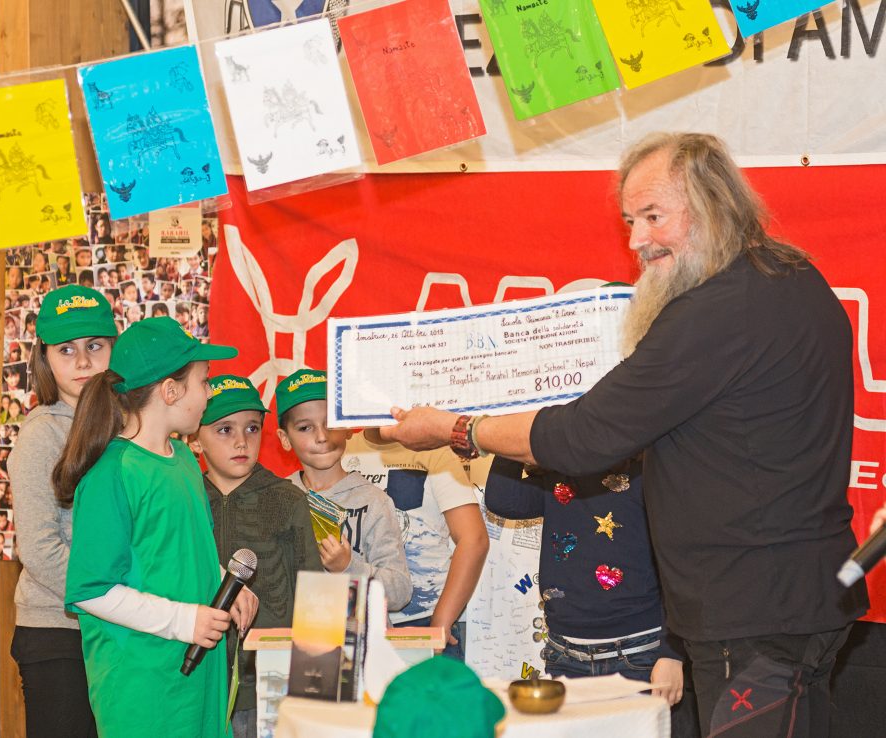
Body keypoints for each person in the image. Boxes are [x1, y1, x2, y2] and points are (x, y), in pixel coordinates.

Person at [382, 132, 868, 737]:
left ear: (712, 205)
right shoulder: (792, 277)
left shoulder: (714, 312)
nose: (637, 240)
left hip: (754, 612)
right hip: (806, 595)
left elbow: (582, 438)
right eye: (630, 221)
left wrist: (457, 428)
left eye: (654, 216)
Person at [58, 317, 257, 738]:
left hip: (198, 674)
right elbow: (91, 589)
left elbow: (185, 549)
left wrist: (226, 584)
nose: (209, 392)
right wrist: (184, 621)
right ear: (170, 391)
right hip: (143, 683)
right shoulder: (112, 473)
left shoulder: (183, 459)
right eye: (204, 381)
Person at [484, 455, 684, 707]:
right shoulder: (557, 477)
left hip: (639, 655)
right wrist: (513, 441)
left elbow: (680, 568)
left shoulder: (644, 473)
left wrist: (672, 652)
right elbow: (503, 500)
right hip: (565, 655)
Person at [8, 285, 118, 738]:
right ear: (45, 358)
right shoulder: (40, 435)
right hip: (58, 630)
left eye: (95, 345)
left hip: (118, 623)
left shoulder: (128, 424)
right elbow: (38, 549)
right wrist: (114, 596)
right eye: (66, 350)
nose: (83, 361)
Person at [194, 374, 322, 738]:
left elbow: (315, 596)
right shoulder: (185, 500)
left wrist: (314, 685)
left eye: (252, 428)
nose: (241, 441)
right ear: (194, 439)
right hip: (197, 682)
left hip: (268, 688)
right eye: (224, 430)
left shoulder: (287, 500)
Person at [343, 427, 488, 660]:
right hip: (353, 625)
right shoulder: (341, 450)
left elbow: (474, 539)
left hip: (423, 623)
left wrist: (441, 622)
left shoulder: (432, 450)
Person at [275, 369, 412, 611]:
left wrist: (348, 567)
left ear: (347, 426)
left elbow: (400, 591)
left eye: (330, 423)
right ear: (285, 438)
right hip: (295, 634)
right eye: (305, 427)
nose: (321, 436)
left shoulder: (374, 501)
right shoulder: (276, 500)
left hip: (359, 634)